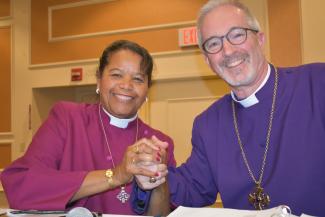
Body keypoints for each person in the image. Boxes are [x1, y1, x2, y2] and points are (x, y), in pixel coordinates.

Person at [137, 0, 325, 216]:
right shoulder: (208, 124)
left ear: (260, 39)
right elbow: (194, 188)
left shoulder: (317, 84)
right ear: (208, 61)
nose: (227, 51)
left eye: (237, 35)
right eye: (214, 44)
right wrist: (154, 170)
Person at [0, 40, 176, 215]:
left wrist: (159, 182)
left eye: (138, 79)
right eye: (116, 75)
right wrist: (115, 176)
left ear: (147, 89)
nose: (127, 85)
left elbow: (162, 214)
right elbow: (22, 185)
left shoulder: (159, 143)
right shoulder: (68, 119)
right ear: (99, 80)